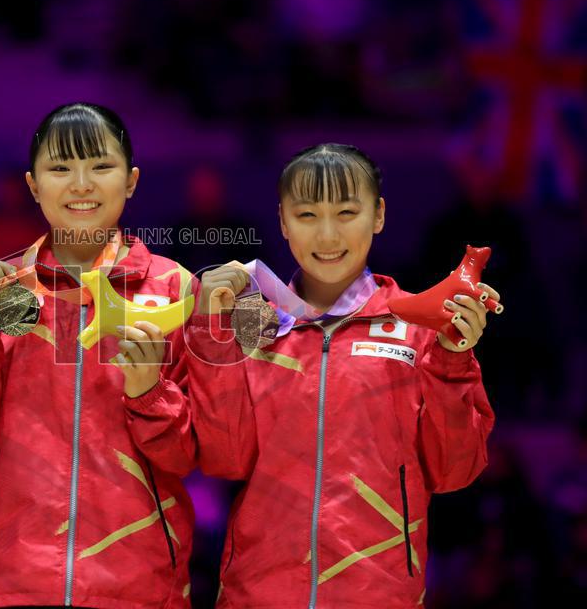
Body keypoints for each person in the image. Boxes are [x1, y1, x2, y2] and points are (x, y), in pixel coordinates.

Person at [136, 143, 498, 607]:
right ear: (283, 221)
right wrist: (210, 332)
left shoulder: (419, 331)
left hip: (378, 595)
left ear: (379, 214)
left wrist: (452, 361)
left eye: (348, 212)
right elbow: (225, 458)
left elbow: (453, 472)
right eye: (307, 215)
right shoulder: (254, 324)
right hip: (258, 594)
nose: (327, 235)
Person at [0, 103, 197, 608]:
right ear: (33, 186)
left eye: (100, 166)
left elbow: (193, 455)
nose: (81, 184)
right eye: (60, 169)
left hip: (140, 583)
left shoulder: (178, 291)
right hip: (16, 581)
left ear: (131, 179)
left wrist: (149, 395)